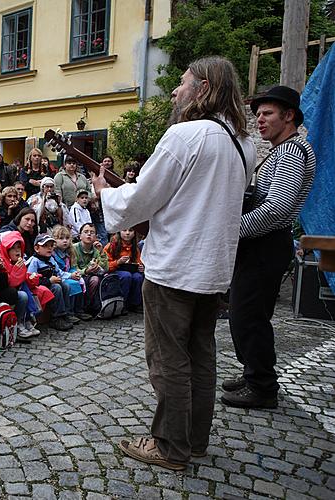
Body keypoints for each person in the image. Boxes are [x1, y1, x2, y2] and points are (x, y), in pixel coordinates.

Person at [92, 56, 256, 471]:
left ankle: (170, 447)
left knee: (169, 360)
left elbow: (141, 198)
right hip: (213, 267)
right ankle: (194, 440)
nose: (175, 91)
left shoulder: (185, 135)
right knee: (201, 355)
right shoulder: (243, 143)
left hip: (176, 266)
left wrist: (103, 192)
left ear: (203, 89)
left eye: (183, 83)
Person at [224, 85, 316, 409]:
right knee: (245, 312)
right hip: (263, 243)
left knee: (248, 315)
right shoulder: (284, 149)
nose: (260, 120)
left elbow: (277, 208)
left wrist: (231, 231)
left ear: (289, 115)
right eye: (258, 114)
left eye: (268, 114)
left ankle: (262, 386)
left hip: (267, 243)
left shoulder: (291, 151)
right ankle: (254, 372)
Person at [26, 234, 73, 331]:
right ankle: (56, 318)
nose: (49, 248)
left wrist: (70, 275)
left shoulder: (51, 259)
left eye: (51, 246)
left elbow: (59, 272)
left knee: (66, 286)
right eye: (45, 246)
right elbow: (31, 280)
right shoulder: (34, 261)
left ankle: (66, 314)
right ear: (37, 248)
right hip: (39, 287)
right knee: (57, 288)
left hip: (51, 283)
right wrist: (49, 281)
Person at [104, 228, 144, 313]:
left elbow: (139, 261)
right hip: (114, 271)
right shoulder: (111, 245)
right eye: (124, 230)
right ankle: (121, 304)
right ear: (119, 232)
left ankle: (135, 304)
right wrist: (118, 262)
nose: (127, 233)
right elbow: (105, 265)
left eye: (131, 231)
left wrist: (141, 267)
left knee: (138, 277)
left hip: (131, 270)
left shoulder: (135, 247)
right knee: (126, 276)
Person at [72, 222, 107, 314]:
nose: (89, 234)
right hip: (77, 275)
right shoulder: (74, 248)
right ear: (80, 236)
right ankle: (83, 307)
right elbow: (73, 268)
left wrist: (101, 252)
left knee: (97, 279)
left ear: (95, 237)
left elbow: (105, 268)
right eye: (86, 232)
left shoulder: (95, 250)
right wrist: (86, 271)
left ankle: (90, 305)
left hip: (91, 275)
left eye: (92, 232)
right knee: (93, 280)